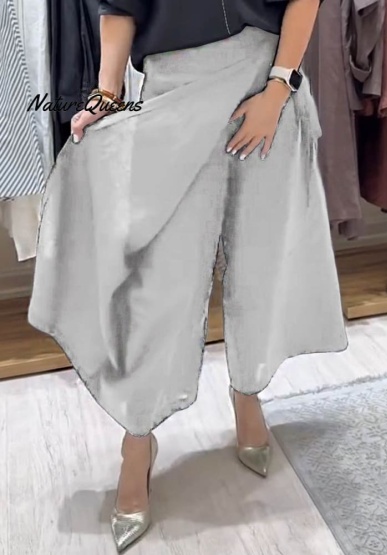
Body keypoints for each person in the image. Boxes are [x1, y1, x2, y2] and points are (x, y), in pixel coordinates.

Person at [28, 0, 347, 552]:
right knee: (157, 286)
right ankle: (137, 439)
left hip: (266, 80)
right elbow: (120, 6)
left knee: (263, 261)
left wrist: (279, 87)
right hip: (173, 92)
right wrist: (107, 93)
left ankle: (248, 392)